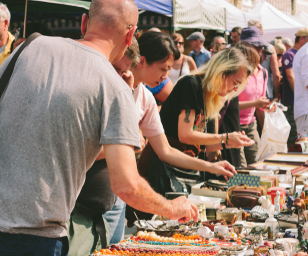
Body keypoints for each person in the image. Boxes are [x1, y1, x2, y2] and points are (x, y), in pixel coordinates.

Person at [0, 0, 197, 256]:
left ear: (84, 22)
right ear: (130, 35)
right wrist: (174, 208)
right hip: (33, 237)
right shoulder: (114, 86)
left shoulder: (31, 46)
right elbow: (127, 186)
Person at [105, 37, 236, 243]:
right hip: (102, 188)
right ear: (142, 62)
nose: (166, 77)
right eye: (163, 69)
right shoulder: (115, 88)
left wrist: (212, 167)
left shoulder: (146, 97)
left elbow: (166, 150)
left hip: (117, 194)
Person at [137, 47, 254, 207]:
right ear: (221, 71)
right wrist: (225, 139)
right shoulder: (191, 84)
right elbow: (185, 135)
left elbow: (203, 144)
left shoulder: (211, 94)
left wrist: (228, 143)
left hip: (186, 168)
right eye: (235, 83)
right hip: (166, 170)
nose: (234, 90)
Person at [218, 42, 261, 169]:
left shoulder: (237, 81)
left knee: (250, 165)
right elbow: (218, 114)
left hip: (235, 131)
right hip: (227, 133)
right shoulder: (227, 82)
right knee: (238, 169)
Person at [238, 26, 272, 166]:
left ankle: (253, 189)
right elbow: (225, 105)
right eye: (255, 46)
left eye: (261, 47)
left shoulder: (262, 72)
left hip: (251, 125)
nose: (259, 50)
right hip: (234, 126)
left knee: (257, 165)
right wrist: (255, 104)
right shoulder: (236, 69)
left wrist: (267, 133)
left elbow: (260, 106)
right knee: (240, 169)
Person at [281, 27, 308, 147]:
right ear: (302, 38)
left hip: (300, 101)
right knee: (293, 133)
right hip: (291, 101)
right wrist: (299, 95)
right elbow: (290, 77)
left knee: (301, 133)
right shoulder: (289, 55)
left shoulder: (302, 53)